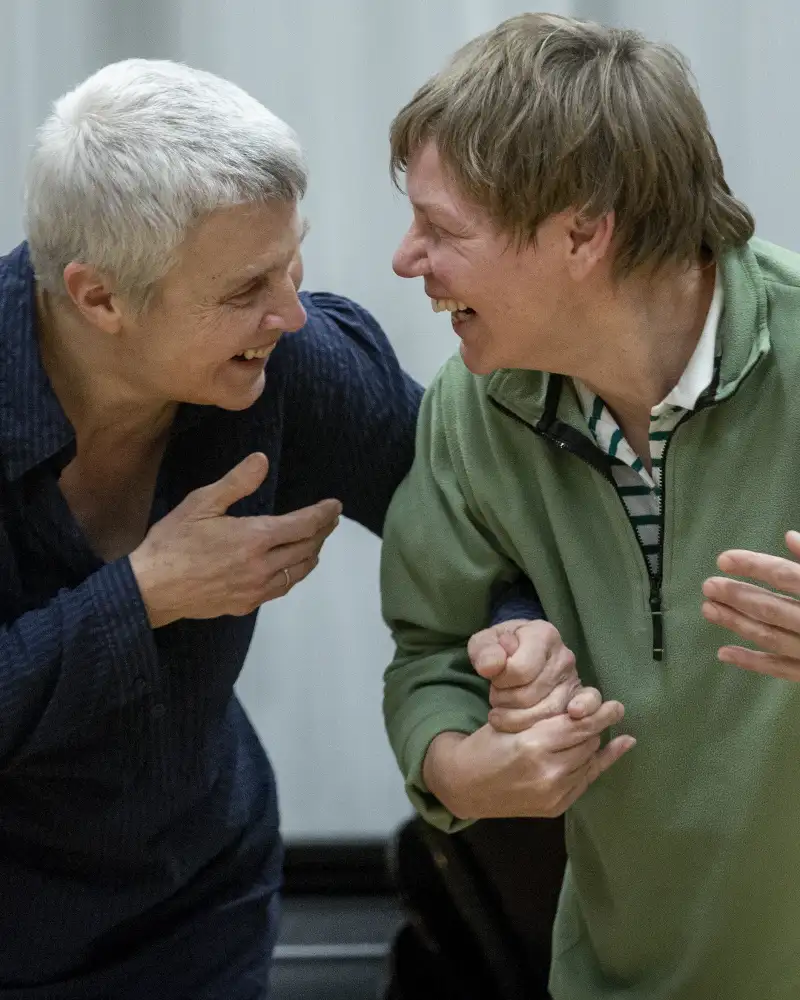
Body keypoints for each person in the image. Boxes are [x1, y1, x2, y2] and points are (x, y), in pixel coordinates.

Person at [0, 57, 560, 999]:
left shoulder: (293, 361)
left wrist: (519, 641)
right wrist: (140, 597)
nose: (291, 311)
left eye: (291, 261)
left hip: (195, 911)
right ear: (99, 299)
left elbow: (489, 523)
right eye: (245, 287)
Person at [381, 12, 800, 999]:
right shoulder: (470, 406)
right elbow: (426, 656)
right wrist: (461, 769)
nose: (406, 259)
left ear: (581, 230)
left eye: (440, 229)